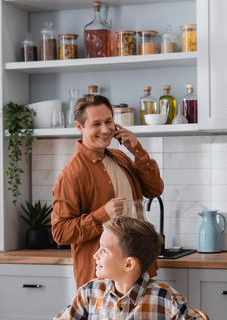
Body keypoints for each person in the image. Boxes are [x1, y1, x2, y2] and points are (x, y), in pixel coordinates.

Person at [44, 216, 218, 320]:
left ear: (129, 264)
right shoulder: (90, 292)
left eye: (104, 250)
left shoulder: (164, 297)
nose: (95, 255)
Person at [51, 94, 164, 288]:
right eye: (96, 124)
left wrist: (137, 150)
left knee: (143, 319)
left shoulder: (120, 157)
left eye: (109, 121)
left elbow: (155, 189)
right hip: (101, 278)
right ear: (80, 127)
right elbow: (60, 232)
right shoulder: (72, 173)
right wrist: (103, 214)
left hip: (138, 268)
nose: (105, 130)